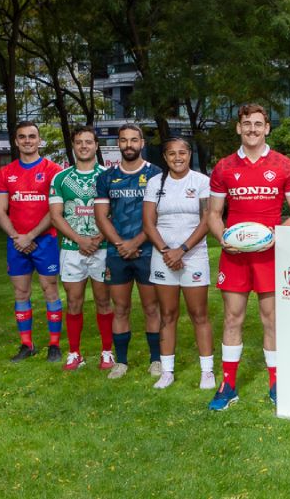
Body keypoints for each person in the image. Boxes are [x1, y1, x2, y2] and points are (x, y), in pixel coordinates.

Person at [206, 104, 290, 410]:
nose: (252, 129)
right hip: (235, 255)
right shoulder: (223, 167)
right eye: (246, 123)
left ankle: (276, 384)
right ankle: (228, 385)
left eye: (258, 124)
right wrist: (223, 238)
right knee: (233, 318)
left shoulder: (285, 165)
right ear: (238, 128)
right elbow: (213, 214)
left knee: (271, 319)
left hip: (270, 255)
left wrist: (275, 236)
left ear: (267, 128)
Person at [142, 138, 215, 390]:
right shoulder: (154, 183)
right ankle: (167, 371)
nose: (177, 157)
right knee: (168, 314)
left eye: (182, 152)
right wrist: (166, 251)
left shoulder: (202, 182)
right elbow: (149, 223)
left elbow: (207, 220)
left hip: (193, 257)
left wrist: (182, 250)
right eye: (171, 153)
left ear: (189, 154)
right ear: (164, 157)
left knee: (199, 314)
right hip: (163, 257)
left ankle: (207, 371)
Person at [95, 124, 163, 379]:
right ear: (118, 144)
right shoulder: (106, 177)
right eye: (123, 140)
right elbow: (101, 216)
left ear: (142, 143)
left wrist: (135, 243)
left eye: (134, 140)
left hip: (147, 252)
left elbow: (156, 216)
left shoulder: (156, 174)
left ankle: (156, 360)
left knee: (151, 308)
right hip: (117, 253)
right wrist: (121, 245)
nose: (129, 145)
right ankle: (121, 362)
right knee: (120, 307)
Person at [0, 121, 64, 362]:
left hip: (45, 241)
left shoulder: (53, 170)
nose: (27, 141)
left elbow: (56, 211)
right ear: (16, 141)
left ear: (39, 140)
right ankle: (27, 344)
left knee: (50, 290)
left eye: (32, 136)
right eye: (22, 136)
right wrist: (17, 237)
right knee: (21, 292)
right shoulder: (6, 172)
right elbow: (0, 211)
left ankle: (54, 345)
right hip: (17, 244)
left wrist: (30, 236)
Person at [48, 126, 114, 371]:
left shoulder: (109, 176)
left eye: (89, 142)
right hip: (71, 249)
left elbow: (114, 213)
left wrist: (96, 238)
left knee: (103, 301)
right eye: (79, 142)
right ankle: (74, 353)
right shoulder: (60, 178)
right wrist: (80, 240)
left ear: (96, 146)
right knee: (74, 302)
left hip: (103, 247)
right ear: (73, 146)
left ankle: (107, 352)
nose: (84, 146)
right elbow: (56, 217)